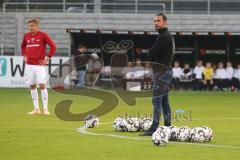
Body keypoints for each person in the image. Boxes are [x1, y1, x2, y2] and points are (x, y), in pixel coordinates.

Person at [140, 13, 174, 136]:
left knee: (156, 100)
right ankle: (168, 126)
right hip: (165, 71)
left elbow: (152, 53)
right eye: (154, 21)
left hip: (162, 72)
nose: (155, 23)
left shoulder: (163, 36)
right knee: (164, 101)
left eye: (158, 21)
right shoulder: (166, 36)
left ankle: (154, 128)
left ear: (165, 22)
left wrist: (149, 53)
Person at [21, 18, 56, 115]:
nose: (30, 28)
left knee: (42, 85)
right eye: (29, 26)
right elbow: (23, 45)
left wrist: (47, 58)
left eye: (32, 25)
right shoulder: (26, 36)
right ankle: (36, 109)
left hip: (39, 65)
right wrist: (24, 55)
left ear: (37, 26)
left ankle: (45, 109)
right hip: (29, 65)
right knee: (32, 86)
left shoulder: (43, 35)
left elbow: (53, 46)